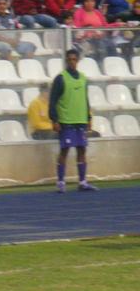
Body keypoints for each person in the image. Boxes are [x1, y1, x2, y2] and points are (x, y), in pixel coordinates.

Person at [49, 49, 97, 193]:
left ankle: (82, 182)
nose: (72, 62)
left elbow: (85, 99)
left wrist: (88, 117)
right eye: (69, 59)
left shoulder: (83, 78)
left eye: (74, 59)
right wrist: (54, 119)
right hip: (66, 121)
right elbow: (53, 100)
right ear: (66, 61)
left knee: (82, 150)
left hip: (80, 120)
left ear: (78, 61)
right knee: (64, 150)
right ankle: (61, 182)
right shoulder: (61, 78)